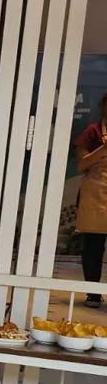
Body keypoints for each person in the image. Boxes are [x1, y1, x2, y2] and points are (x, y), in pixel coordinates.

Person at [74, 93, 107, 308]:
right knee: (94, 246)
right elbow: (80, 165)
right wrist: (103, 150)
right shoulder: (92, 132)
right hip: (96, 195)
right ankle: (93, 293)